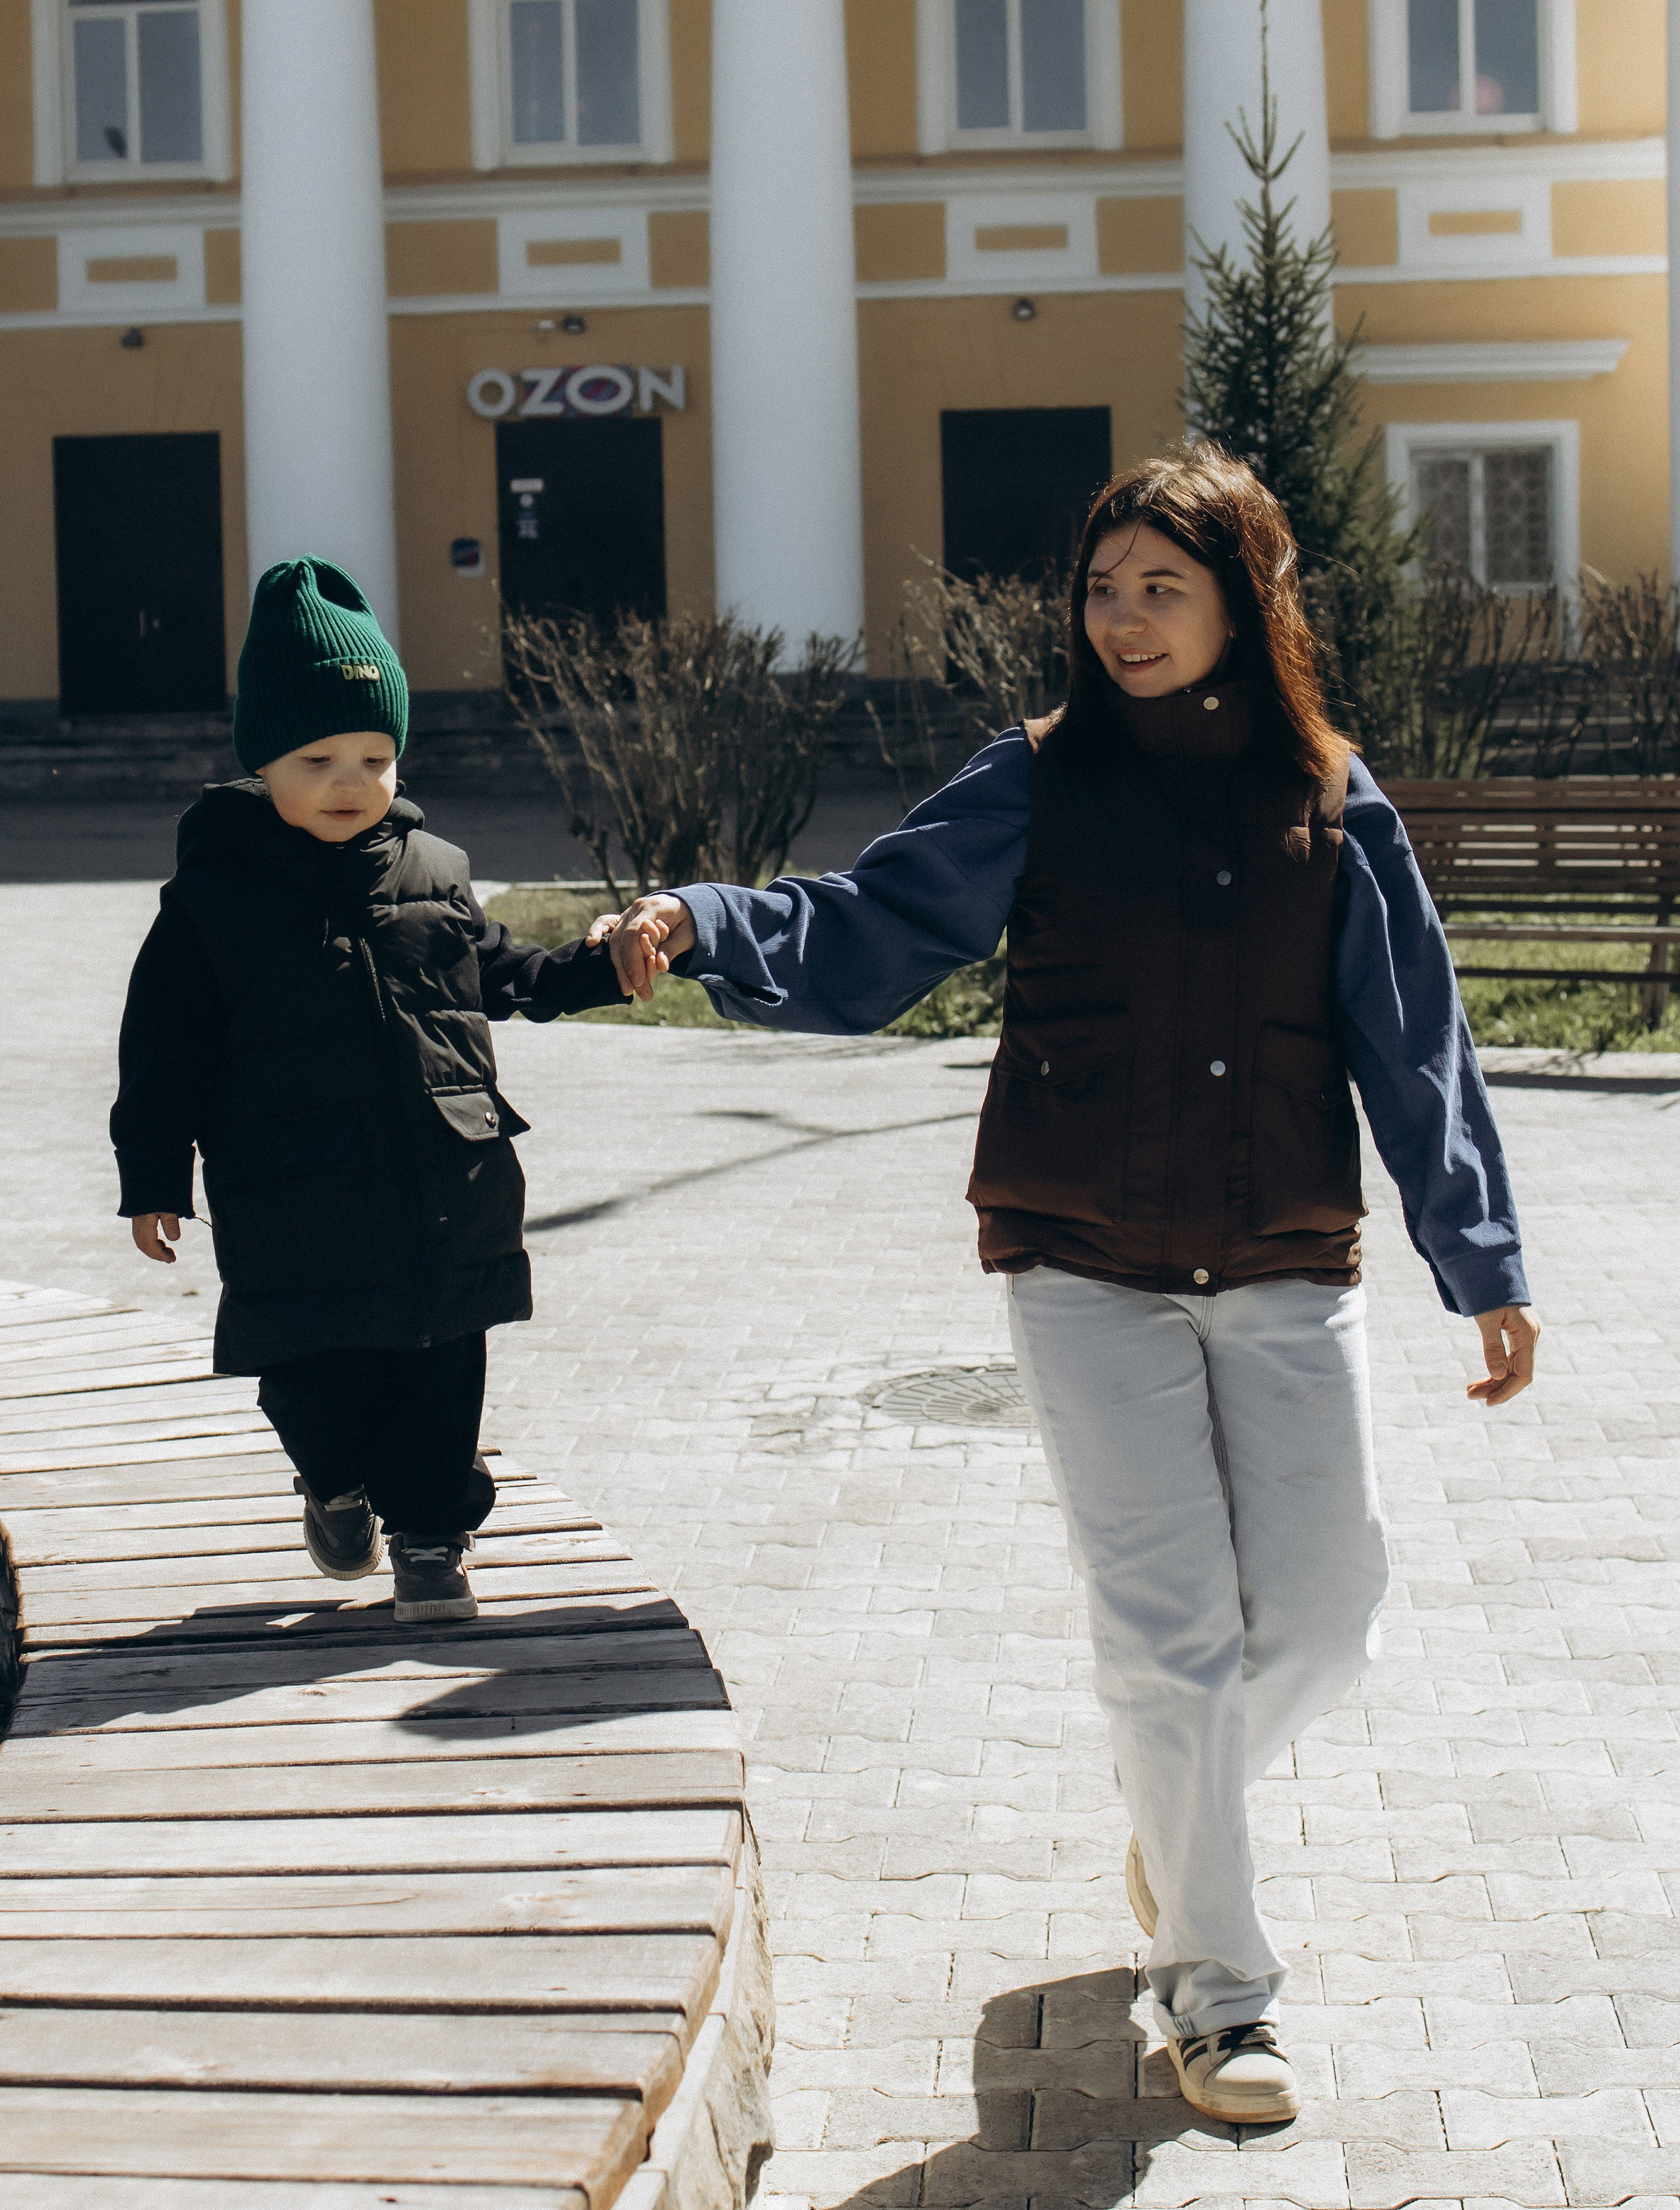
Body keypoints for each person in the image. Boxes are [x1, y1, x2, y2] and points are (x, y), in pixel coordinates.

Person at [602, 448, 1540, 2123]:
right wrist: (705, 919)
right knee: (1169, 1637)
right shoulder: (1035, 779)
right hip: (1083, 1263)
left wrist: (1480, 1259)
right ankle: (1220, 1999)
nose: (1121, 620)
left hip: (1282, 1255)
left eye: (1160, 588)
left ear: (1243, 603)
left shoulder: (1332, 799)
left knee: (1326, 1607)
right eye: (1102, 590)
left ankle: (1181, 1831)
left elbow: (1415, 1046)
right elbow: (869, 925)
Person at [112, 554, 626, 1622]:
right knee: (315, 1380)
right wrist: (153, 1176)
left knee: (442, 1377)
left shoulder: (437, 873)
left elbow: (510, 976)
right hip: (293, 1203)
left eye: (376, 758)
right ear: (262, 762)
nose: (351, 782)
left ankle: (433, 1541)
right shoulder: (213, 901)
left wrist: (597, 964)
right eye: (319, 759)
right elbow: (164, 1052)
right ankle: (334, 1480)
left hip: (446, 1186)